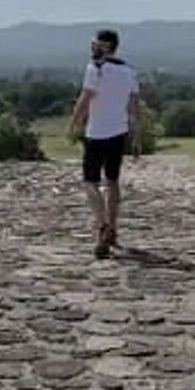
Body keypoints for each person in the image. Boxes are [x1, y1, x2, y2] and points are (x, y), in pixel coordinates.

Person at [67, 28, 141, 259]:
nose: (92, 47)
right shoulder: (129, 72)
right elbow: (134, 107)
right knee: (112, 181)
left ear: (107, 46)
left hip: (96, 134)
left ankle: (102, 226)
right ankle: (114, 228)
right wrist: (137, 135)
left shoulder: (95, 69)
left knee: (90, 182)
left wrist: (73, 124)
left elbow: (85, 98)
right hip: (119, 133)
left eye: (95, 44)